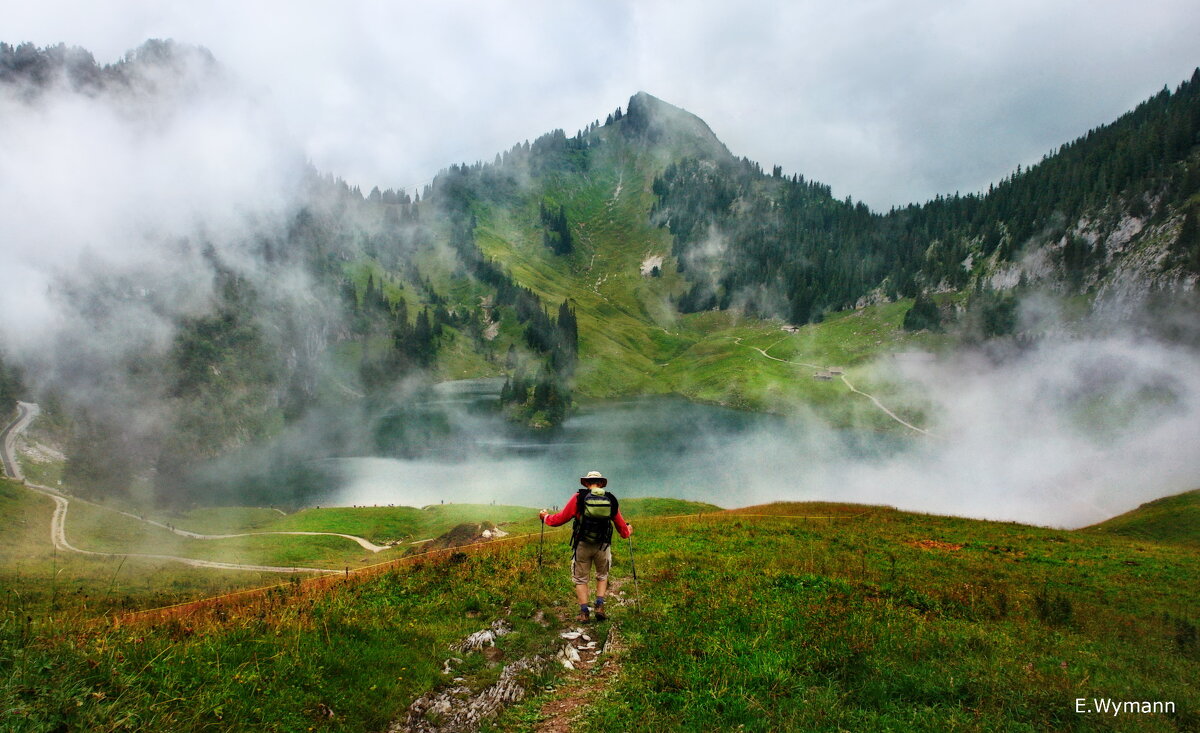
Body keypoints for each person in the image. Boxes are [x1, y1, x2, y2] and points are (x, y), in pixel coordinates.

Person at [539, 470, 632, 623]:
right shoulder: (610, 499)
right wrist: (628, 531)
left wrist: (545, 517)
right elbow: (621, 527)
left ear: (587, 483)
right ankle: (600, 605)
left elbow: (559, 519)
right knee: (602, 575)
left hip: (582, 544)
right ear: (601, 483)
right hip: (603, 545)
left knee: (581, 578)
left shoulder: (579, 498)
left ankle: (584, 612)